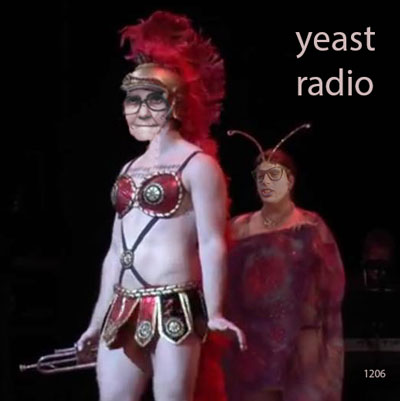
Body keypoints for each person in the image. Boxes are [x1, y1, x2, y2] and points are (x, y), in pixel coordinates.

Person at [76, 11, 245, 401]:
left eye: (151, 99)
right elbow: (115, 252)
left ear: (175, 104)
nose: (139, 108)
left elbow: (211, 243)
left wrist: (215, 311)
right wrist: (96, 320)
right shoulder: (127, 169)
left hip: (175, 305)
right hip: (123, 306)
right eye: (132, 99)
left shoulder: (198, 166)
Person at [223, 128, 345, 401]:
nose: (266, 182)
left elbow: (332, 291)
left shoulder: (312, 226)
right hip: (251, 347)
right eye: (260, 177)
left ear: (290, 180)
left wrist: (326, 344)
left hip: (301, 344)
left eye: (274, 175)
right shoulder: (238, 228)